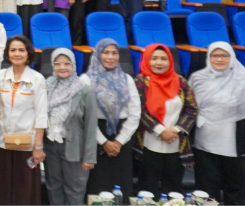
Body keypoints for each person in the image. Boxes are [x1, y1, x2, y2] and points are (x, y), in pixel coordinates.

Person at [0, 36, 47, 206]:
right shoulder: (0, 76)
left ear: (28, 53)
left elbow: (41, 114)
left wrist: (38, 147)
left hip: (28, 145)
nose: (17, 54)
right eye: (12, 50)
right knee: (4, 188)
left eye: (21, 50)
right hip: (3, 142)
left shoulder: (37, 78)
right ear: (7, 53)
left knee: (25, 189)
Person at [134, 44, 198, 196]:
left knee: (173, 191)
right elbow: (139, 109)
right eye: (154, 58)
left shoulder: (180, 81)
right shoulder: (141, 81)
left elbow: (191, 109)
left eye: (164, 59)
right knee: (147, 191)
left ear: (170, 61)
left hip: (176, 144)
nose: (159, 62)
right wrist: (161, 130)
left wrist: (175, 130)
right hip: (148, 144)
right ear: (146, 60)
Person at [81, 38, 141, 200]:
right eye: (106, 52)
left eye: (115, 53)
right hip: (96, 136)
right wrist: (104, 142)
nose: (110, 57)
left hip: (122, 138)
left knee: (121, 185)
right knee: (98, 186)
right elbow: (85, 115)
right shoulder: (86, 80)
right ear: (97, 54)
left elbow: (135, 113)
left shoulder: (127, 79)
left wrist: (119, 141)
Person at [189, 42, 245, 206]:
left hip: (234, 142)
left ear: (232, 57)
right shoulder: (197, 78)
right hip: (204, 141)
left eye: (224, 55)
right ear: (208, 57)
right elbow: (189, 106)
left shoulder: (242, 78)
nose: (219, 59)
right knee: (206, 190)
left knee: (235, 188)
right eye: (215, 55)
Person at [43, 48, 98, 206]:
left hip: (75, 149)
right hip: (51, 146)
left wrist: (89, 157)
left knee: (75, 191)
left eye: (67, 63)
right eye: (58, 63)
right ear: (52, 65)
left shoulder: (84, 89)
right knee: (53, 188)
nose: (62, 67)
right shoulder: (46, 86)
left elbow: (90, 126)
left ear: (74, 65)